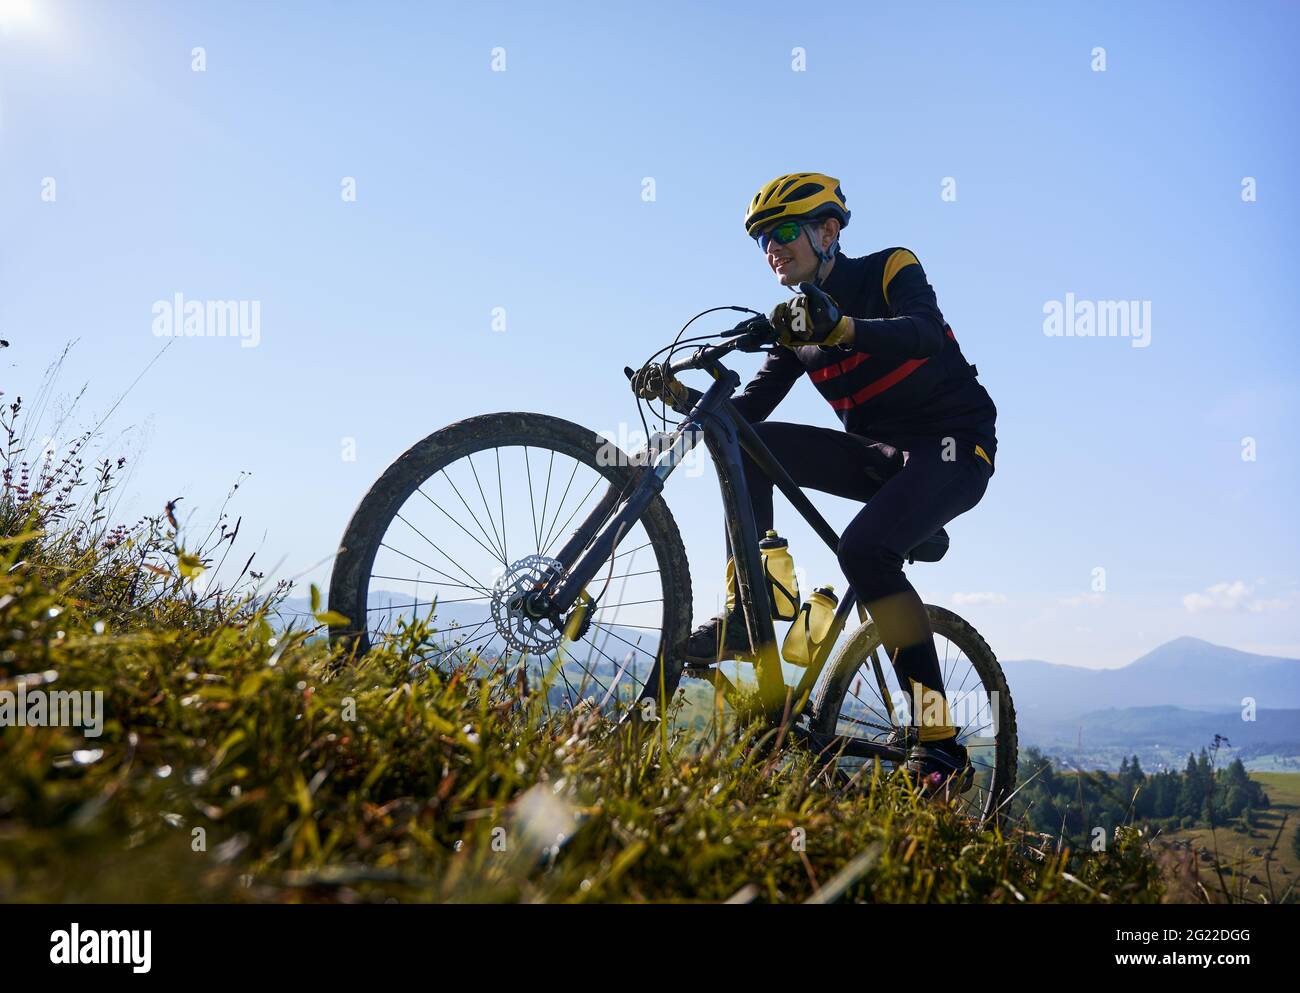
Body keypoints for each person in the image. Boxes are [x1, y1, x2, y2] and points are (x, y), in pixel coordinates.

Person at [636, 172, 998, 787]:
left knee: (863, 549)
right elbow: (745, 416)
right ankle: (756, 604)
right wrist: (684, 399)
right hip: (882, 459)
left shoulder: (889, 269)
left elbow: (925, 332)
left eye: (782, 232)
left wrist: (845, 329)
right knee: (752, 445)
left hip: (956, 449)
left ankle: (937, 736)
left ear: (829, 231)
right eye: (762, 242)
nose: (772, 248)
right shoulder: (797, 330)